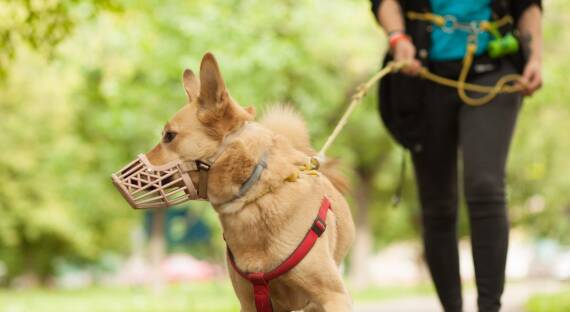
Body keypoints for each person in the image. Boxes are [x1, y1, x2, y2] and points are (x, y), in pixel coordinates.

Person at [370, 0, 542, 311]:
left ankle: (490, 307)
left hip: (492, 68)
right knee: (437, 204)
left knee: (485, 185)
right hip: (423, 73)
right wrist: (398, 37)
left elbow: (528, 4)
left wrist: (535, 57)